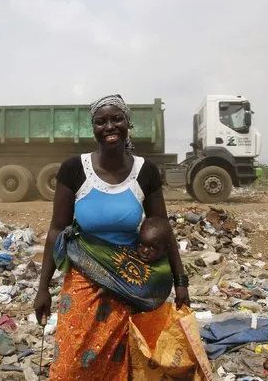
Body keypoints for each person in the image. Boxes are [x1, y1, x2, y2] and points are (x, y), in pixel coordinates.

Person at [33, 94, 189, 380]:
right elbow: (57, 228)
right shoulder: (74, 169)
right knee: (70, 364)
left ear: (128, 122)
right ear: (92, 127)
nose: (109, 126)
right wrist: (43, 287)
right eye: (100, 121)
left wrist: (180, 282)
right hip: (83, 277)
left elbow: (163, 228)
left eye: (116, 119)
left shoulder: (146, 171)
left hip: (128, 282)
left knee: (124, 365)